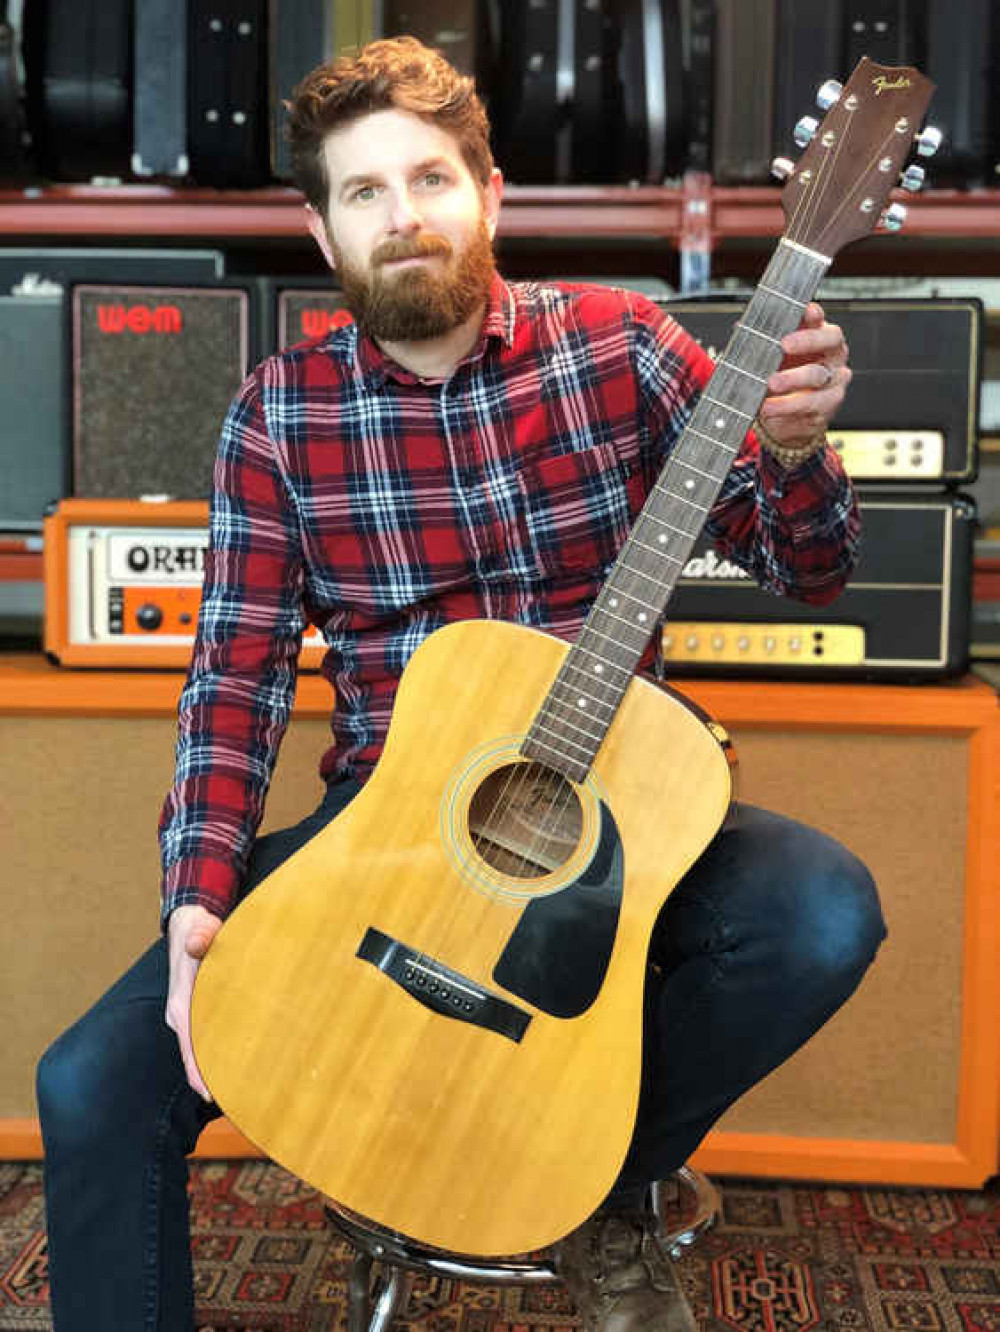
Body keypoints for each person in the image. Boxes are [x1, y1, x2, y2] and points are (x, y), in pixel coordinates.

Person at [36, 35, 884, 1332]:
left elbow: (809, 567)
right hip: (385, 826)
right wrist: (197, 911)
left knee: (822, 912)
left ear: (489, 197)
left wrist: (794, 449)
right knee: (92, 1085)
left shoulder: (622, 345)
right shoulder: (279, 413)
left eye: (429, 179)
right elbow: (234, 685)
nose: (403, 218)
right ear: (323, 236)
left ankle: (601, 1178)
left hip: (617, 826)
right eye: (363, 193)